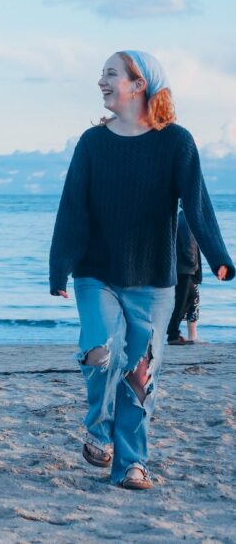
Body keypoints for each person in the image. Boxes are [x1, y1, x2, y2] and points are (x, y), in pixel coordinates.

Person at [49, 50, 233, 490]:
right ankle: (98, 429)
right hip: (97, 271)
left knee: (140, 373)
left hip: (154, 279)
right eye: (102, 75)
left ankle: (132, 464)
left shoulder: (176, 142)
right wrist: (60, 267)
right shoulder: (93, 143)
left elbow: (197, 204)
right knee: (99, 349)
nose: (101, 82)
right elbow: (73, 207)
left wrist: (219, 257)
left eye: (111, 74)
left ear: (139, 84)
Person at [166, 210, 203, 346]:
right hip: (185, 269)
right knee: (181, 301)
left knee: (190, 297)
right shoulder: (187, 220)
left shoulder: (181, 218)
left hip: (181, 268)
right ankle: (173, 334)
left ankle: (174, 332)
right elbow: (189, 244)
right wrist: (193, 264)